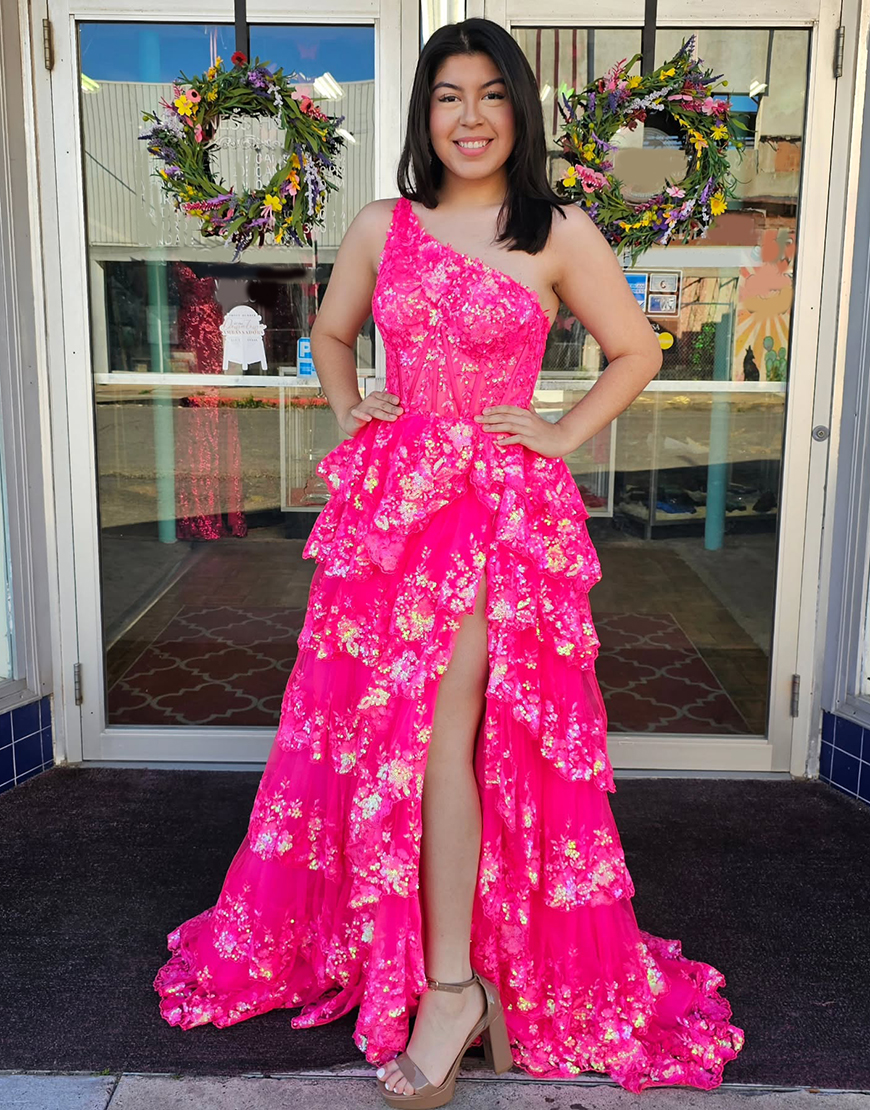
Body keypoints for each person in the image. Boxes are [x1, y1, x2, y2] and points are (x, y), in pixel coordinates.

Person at [154, 17, 745, 1106]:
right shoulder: (386, 223)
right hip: (392, 511)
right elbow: (333, 335)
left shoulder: (556, 229)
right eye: (446, 97)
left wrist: (561, 435)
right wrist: (354, 408)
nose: (468, 117)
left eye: (488, 95)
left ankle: (451, 985)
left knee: (438, 731)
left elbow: (639, 347)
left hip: (492, 516)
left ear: (517, 109)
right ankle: (429, 964)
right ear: (425, 117)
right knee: (374, 728)